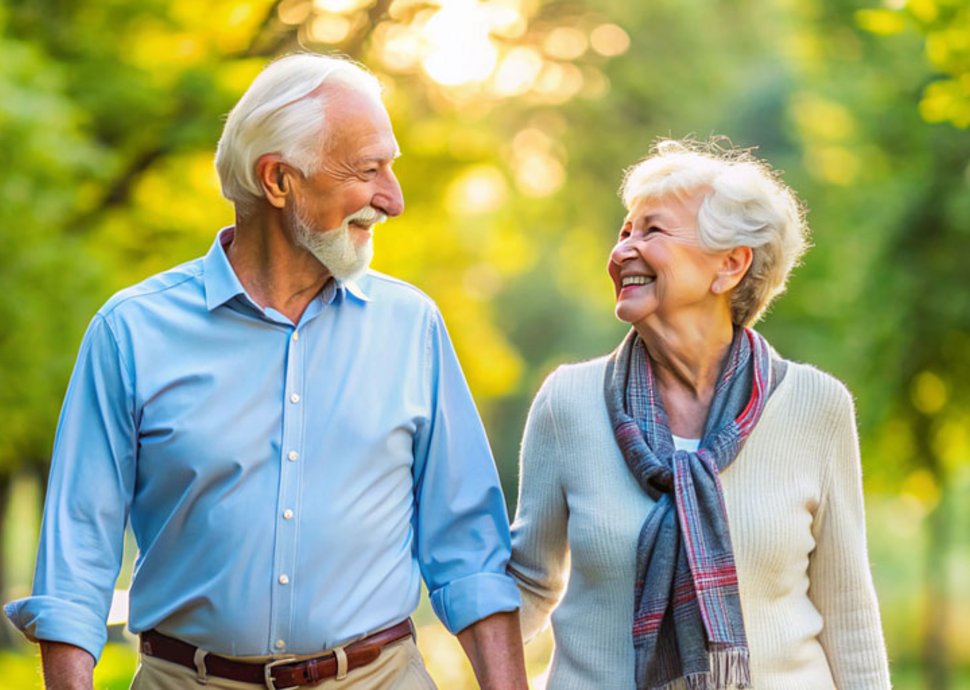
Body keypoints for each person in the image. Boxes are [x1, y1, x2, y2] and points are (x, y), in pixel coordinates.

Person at [5, 53, 528, 690]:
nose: (393, 199)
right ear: (278, 181)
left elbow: (468, 549)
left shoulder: (411, 327)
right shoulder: (131, 332)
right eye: (368, 171)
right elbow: (75, 560)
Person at [509, 139, 891, 689]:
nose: (622, 252)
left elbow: (848, 610)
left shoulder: (815, 406)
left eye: (652, 232)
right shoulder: (568, 402)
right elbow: (526, 583)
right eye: (625, 232)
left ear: (730, 265)